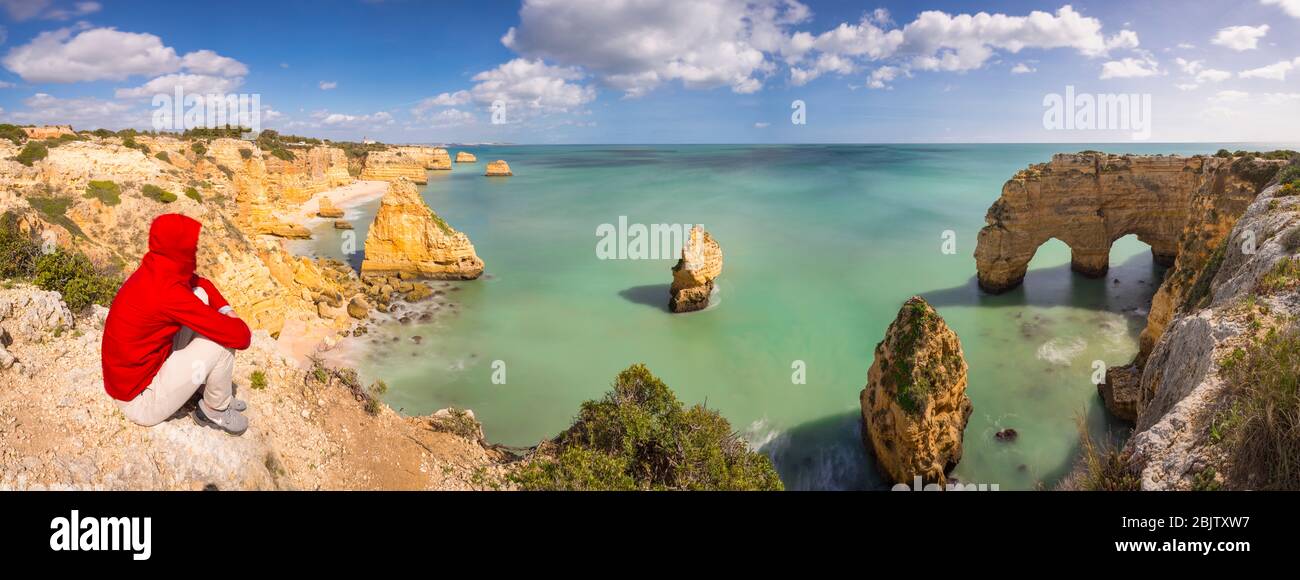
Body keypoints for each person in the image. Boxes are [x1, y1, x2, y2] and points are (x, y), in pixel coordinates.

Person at [102, 214, 252, 435]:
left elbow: (201, 283)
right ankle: (213, 410)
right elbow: (241, 337)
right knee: (221, 343)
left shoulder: (155, 269)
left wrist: (224, 309)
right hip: (141, 401)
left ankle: (206, 388)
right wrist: (231, 316)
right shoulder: (168, 293)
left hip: (140, 374)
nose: (195, 252)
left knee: (199, 294)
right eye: (191, 246)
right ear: (179, 248)